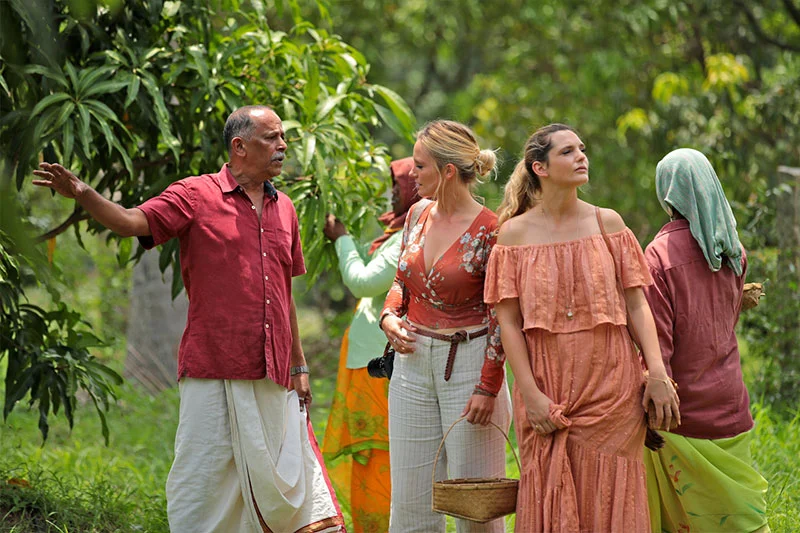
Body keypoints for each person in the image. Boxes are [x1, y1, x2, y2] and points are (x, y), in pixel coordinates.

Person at [31, 105, 345, 533]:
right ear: (238, 147)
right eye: (271, 138)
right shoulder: (195, 195)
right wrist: (84, 192)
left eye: (282, 137)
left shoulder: (284, 207)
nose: (283, 146)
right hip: (212, 366)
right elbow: (129, 222)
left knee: (276, 485)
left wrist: (299, 364)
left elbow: (285, 293)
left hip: (272, 371)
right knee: (202, 483)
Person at [484, 123, 680, 532]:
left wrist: (657, 372)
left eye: (582, 149)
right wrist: (532, 395)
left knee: (614, 498)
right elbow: (508, 324)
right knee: (548, 495)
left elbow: (637, 305)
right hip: (546, 390)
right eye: (568, 152)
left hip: (612, 390)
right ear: (539, 167)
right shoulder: (513, 236)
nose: (581, 157)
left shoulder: (608, 224)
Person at [379, 120, 512, 533]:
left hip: (470, 363)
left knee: (476, 508)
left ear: (448, 171)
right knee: (410, 503)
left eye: (420, 166)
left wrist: (488, 386)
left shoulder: (493, 229)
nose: (411, 174)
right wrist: (388, 316)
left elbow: (501, 317)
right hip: (411, 364)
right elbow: (402, 280)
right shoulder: (417, 213)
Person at [642, 148, 769, 533]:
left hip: (681, 411)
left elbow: (658, 342)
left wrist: (647, 399)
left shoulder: (658, 256)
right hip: (730, 401)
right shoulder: (733, 250)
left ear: (668, 193)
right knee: (737, 516)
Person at [321, 157, 420, 533]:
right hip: (368, 358)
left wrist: (341, 237)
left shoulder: (406, 236)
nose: (391, 193)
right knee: (372, 453)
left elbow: (362, 282)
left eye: (398, 185)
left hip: (379, 360)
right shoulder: (394, 234)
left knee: (379, 452)